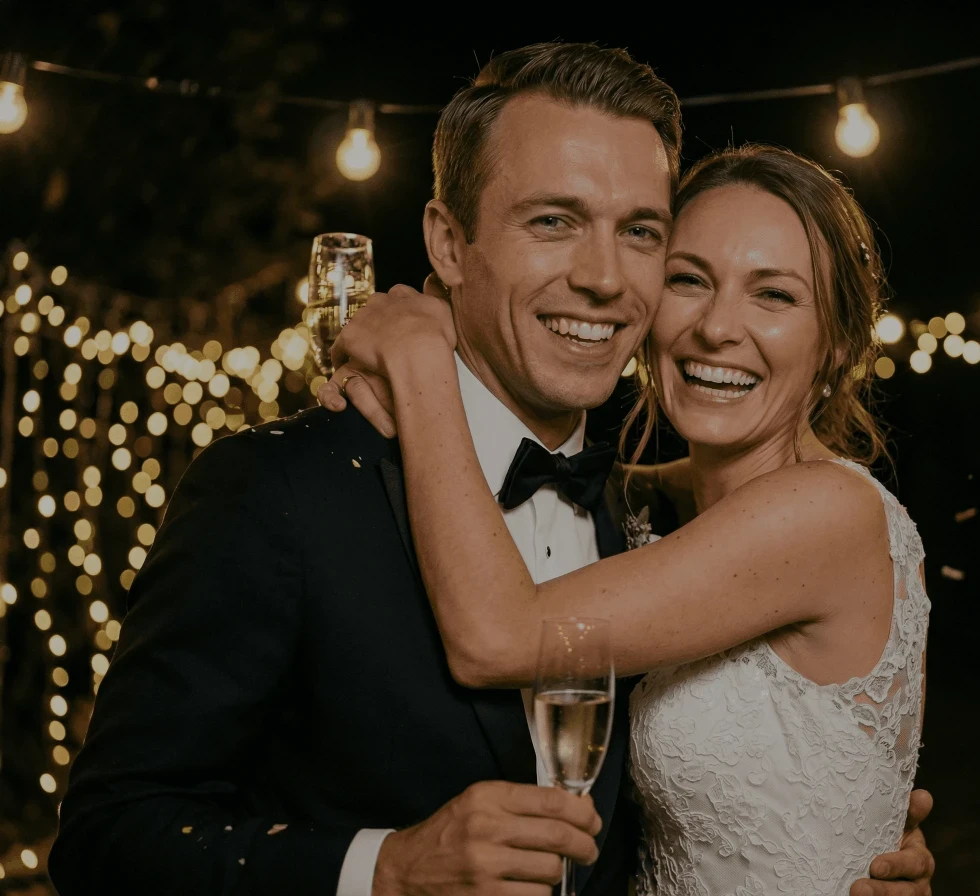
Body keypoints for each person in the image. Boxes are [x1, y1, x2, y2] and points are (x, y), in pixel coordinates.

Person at [49, 42, 932, 896]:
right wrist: (381, 870)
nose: (601, 277)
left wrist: (850, 839)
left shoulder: (663, 516)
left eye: (638, 233)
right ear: (447, 243)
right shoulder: (283, 488)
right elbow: (109, 835)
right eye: (553, 221)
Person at [321, 137, 934, 893]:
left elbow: (497, 637)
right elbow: (540, 475)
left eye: (773, 295)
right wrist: (438, 370)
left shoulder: (824, 510)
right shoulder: (667, 502)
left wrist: (419, 368)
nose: (716, 328)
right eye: (688, 280)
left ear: (838, 345)